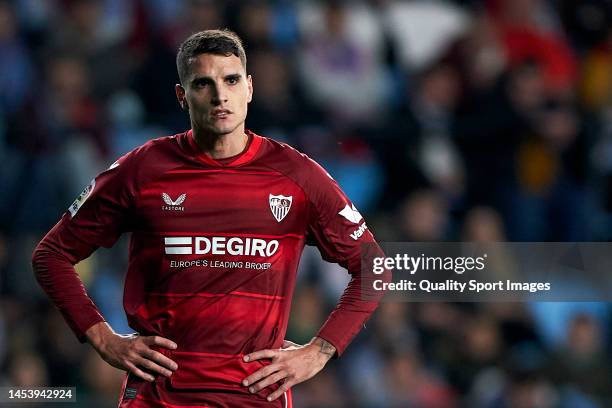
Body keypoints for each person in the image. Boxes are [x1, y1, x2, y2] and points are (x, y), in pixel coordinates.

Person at [32, 29, 387, 407]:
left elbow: (374, 266)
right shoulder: (142, 171)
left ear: (249, 88)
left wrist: (320, 351)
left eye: (231, 80)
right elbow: (51, 255)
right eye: (203, 83)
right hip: (159, 397)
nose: (220, 96)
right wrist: (102, 338)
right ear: (182, 96)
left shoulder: (297, 175)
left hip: (255, 396)